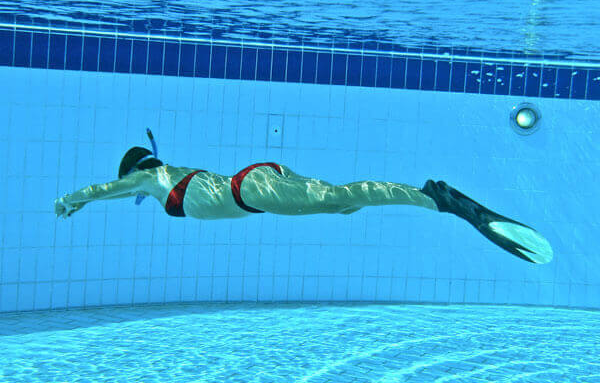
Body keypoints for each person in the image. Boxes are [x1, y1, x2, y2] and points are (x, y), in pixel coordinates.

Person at [54, 144, 553, 264]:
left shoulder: (149, 176)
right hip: (256, 185)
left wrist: (71, 200)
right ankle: (430, 198)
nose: (131, 194)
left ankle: (436, 200)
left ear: (134, 171)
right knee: (340, 203)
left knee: (341, 199)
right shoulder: (169, 173)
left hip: (250, 190)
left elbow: (102, 190)